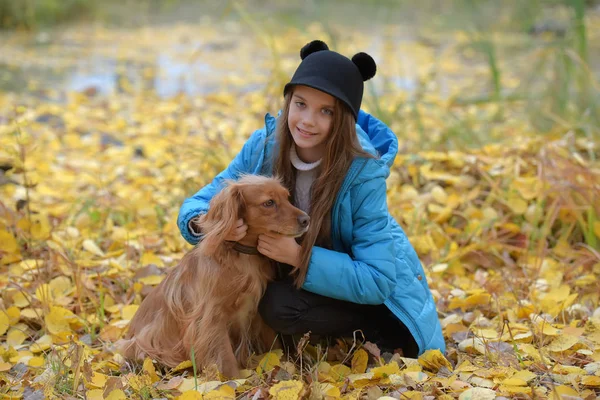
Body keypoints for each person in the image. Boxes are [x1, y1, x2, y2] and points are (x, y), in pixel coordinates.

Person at [177, 40, 445, 358]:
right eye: (301, 104)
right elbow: (203, 200)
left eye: (325, 111)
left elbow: (378, 280)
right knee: (258, 291)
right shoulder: (265, 146)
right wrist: (206, 224)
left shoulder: (363, 171)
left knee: (278, 305)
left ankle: (369, 333)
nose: (307, 121)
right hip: (310, 281)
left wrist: (298, 255)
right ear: (289, 101)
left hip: (376, 300)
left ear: (343, 118)